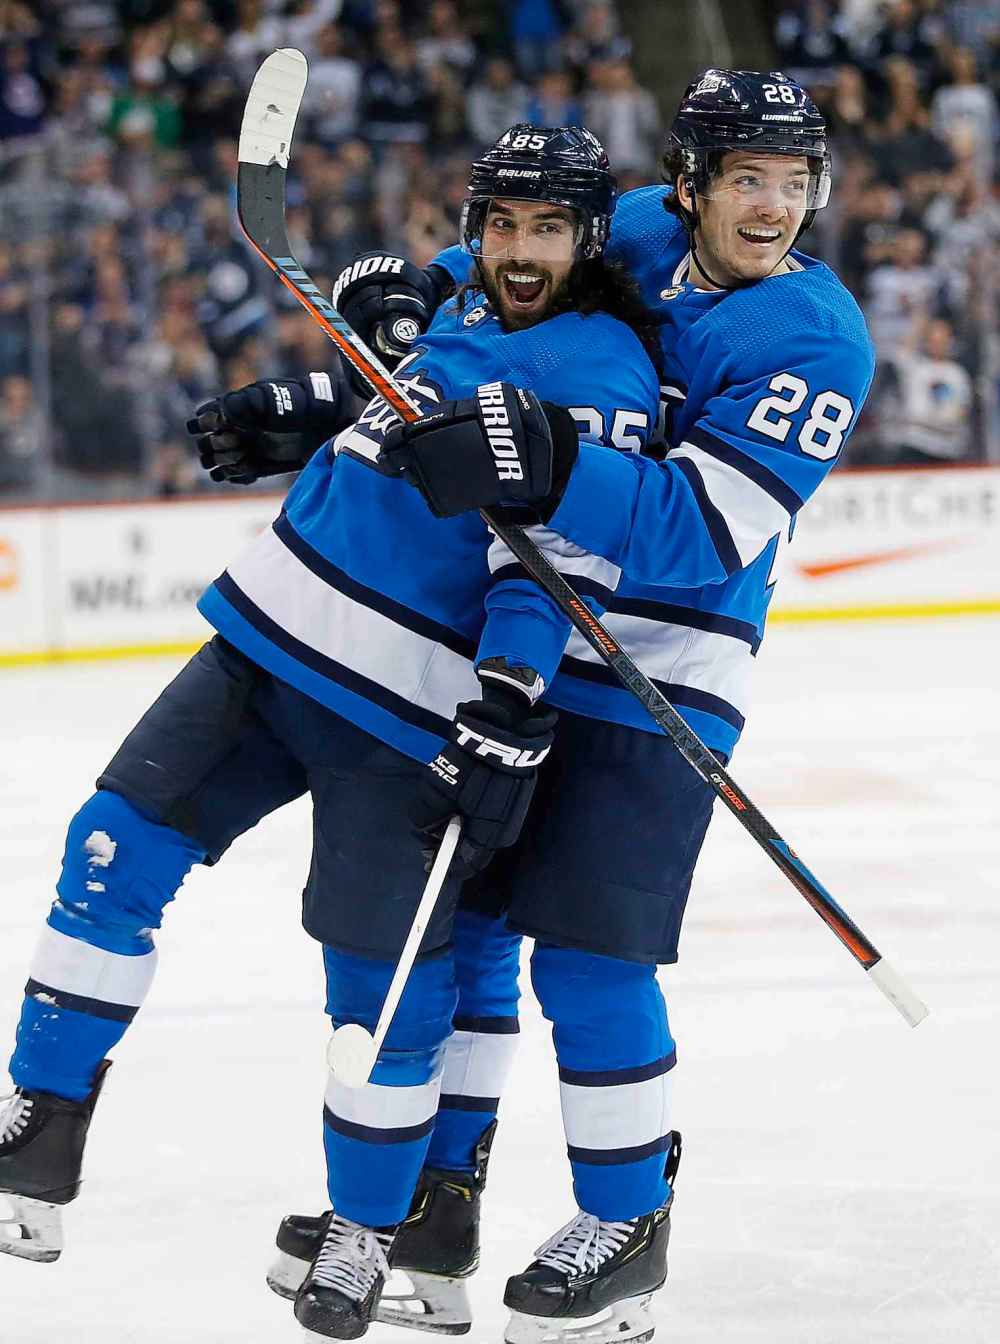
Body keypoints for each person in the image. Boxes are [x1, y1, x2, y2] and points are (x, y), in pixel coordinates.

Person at [0, 126, 663, 1342]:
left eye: (547, 229)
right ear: (474, 227)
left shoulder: (605, 371)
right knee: (107, 850)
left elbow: (555, 564)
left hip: (397, 710)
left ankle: (369, 1228)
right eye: (501, 223)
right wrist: (303, 405)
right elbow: (385, 406)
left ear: (588, 243)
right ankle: (35, 1139)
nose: (519, 250)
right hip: (259, 645)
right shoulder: (453, 300)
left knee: (381, 994)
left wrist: (512, 692)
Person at [259, 70, 876, 1344]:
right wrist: (408, 287)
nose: (772, 208)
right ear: (690, 183)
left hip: (665, 676)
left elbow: (701, 528)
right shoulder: (639, 227)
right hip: (523, 633)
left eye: (794, 183)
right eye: (747, 180)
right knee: (472, 925)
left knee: (592, 963)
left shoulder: (816, 340)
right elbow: (485, 260)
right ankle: (438, 1202)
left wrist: (544, 456)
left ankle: (626, 1231)